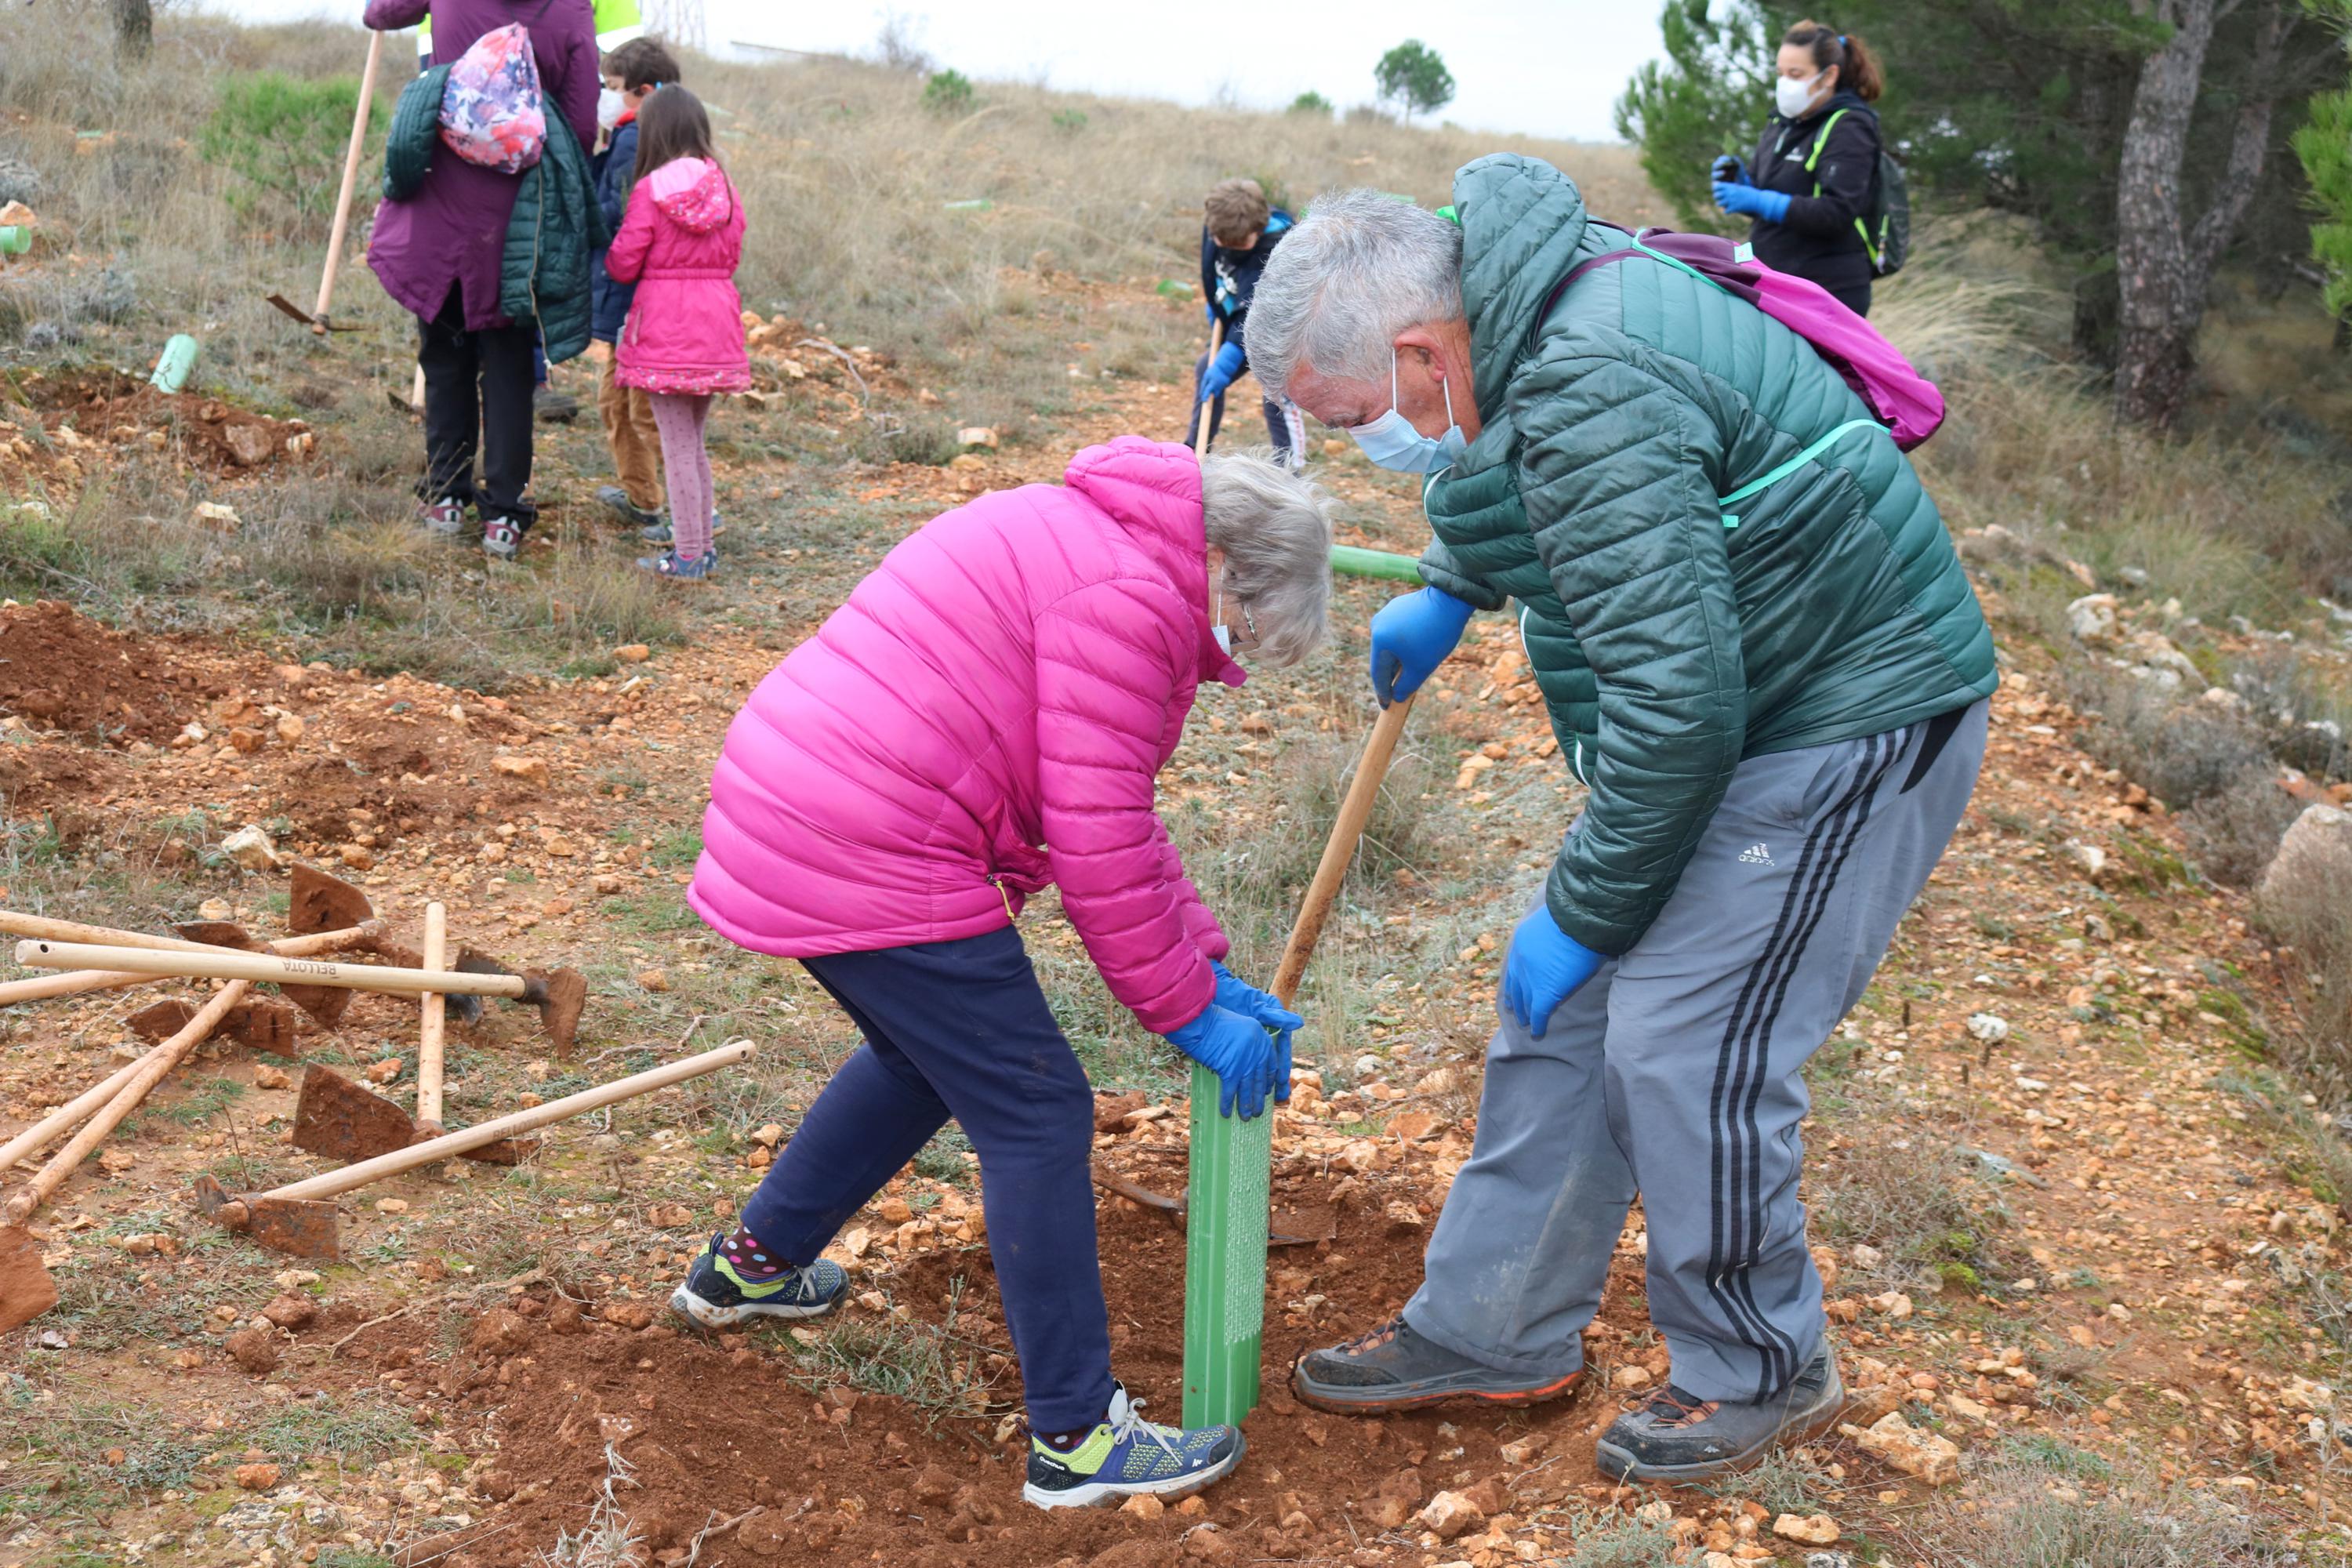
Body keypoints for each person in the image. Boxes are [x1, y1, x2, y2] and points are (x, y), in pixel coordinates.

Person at [1245, 162, 1996, 1483]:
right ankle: (1493, 1328)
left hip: (1838, 715)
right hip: (1747, 701)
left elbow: (1678, 713)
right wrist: (1452, 580)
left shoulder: (1592, 378)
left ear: (1423, 346)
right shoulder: (1518, 294)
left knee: (1684, 1042)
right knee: (1562, 1022)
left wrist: (1584, 914)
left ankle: (1766, 1366)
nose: (1376, 445)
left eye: (1363, 415)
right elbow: (1528, 464)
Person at [675, 437, 1334, 1508]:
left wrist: (1205, 964)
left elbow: (1113, 807)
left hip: (795, 797)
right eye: (1249, 622)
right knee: (1037, 1110)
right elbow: (1099, 840)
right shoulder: (1132, 602)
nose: (1238, 649)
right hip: (871, 837)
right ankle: (1077, 1439)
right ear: (1222, 560)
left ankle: (752, 1267)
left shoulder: (1091, 530)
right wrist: (1183, 1010)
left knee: (921, 1058)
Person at [365, 0, 600, 560]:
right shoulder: (571, 11)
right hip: (518, 220)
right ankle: (504, 516)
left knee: (445, 357)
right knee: (510, 367)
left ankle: (445, 496)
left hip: (441, 202)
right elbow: (582, 122)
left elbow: (381, 13)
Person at [604, 86, 747, 581]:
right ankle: (700, 548)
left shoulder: (650, 189)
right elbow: (734, 251)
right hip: (716, 322)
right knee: (694, 443)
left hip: (665, 327)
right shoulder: (723, 185)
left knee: (678, 446)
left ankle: (687, 555)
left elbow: (624, 262)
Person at [1711, 20, 1887, 317]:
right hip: (1774, 277)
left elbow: (1837, 213)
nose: (1785, 83)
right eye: (1780, 73)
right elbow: (1775, 195)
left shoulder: (1849, 126)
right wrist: (1745, 186)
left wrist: (1761, 201)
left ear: (1829, 75)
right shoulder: (1781, 122)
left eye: (1796, 74)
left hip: (1828, 290)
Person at [586, 36, 683, 536]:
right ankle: (643, 497)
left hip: (639, 302)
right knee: (617, 402)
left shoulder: (636, 138)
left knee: (646, 411)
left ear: (644, 91)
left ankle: (691, 516)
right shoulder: (635, 132)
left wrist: (583, 221)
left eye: (614, 87)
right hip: (631, 298)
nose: (606, 95)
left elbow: (618, 213)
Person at [1185, 178, 1306, 471]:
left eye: (1241, 246)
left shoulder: (1278, 250)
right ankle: (1194, 453)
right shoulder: (1219, 227)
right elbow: (1213, 267)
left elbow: (1255, 309)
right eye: (1223, 243)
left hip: (1281, 332)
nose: (1230, 250)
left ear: (1258, 230)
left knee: (1277, 392)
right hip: (1240, 319)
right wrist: (1218, 301)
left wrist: (1229, 361)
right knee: (1206, 372)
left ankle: (1289, 468)